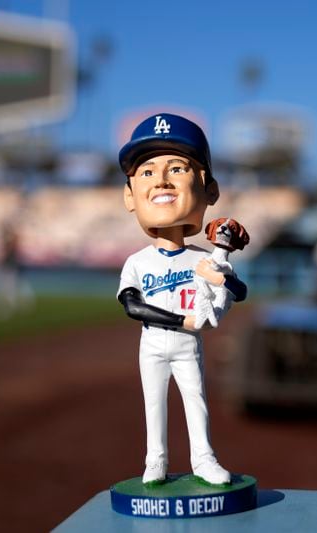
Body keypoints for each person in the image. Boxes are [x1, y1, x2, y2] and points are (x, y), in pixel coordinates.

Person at [116, 113, 247, 486]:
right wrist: (182, 322)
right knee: (154, 403)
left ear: (209, 190)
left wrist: (221, 277)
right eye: (146, 172)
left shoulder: (202, 259)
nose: (160, 179)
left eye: (177, 168)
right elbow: (131, 306)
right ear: (129, 195)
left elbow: (240, 292)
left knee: (196, 401)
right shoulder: (137, 261)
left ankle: (203, 459)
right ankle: (154, 460)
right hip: (155, 342)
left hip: (189, 346)